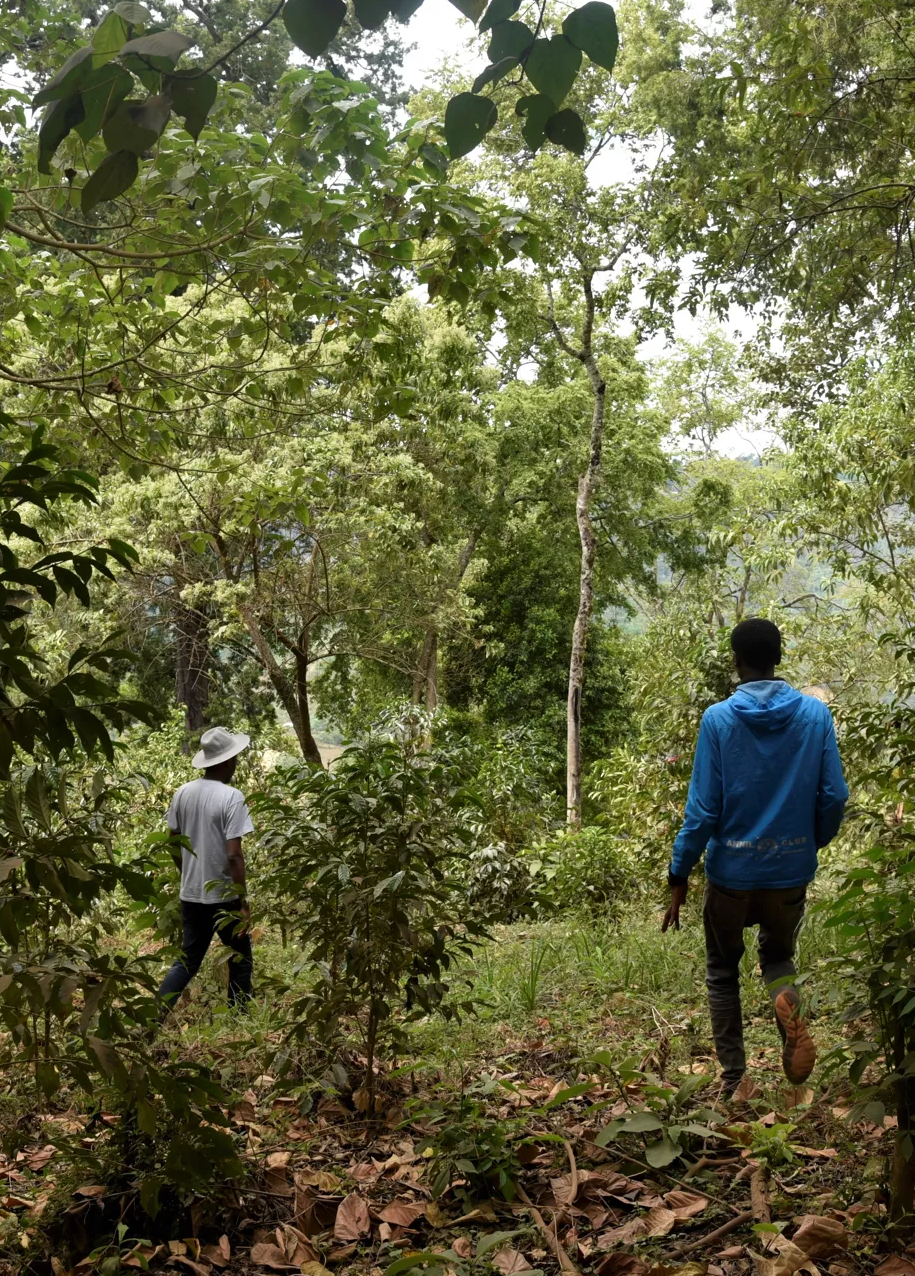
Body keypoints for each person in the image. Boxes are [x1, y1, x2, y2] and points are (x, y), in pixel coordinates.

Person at [662, 618, 848, 1095]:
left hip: (731, 874)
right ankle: (788, 1003)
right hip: (789, 871)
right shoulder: (815, 715)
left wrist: (679, 872)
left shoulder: (719, 720)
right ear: (779, 658)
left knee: (722, 971)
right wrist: (810, 843)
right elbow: (833, 796)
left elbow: (703, 810)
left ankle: (735, 1080)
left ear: (735, 661)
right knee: (779, 955)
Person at [158, 726, 255, 1014]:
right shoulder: (232, 796)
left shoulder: (183, 793)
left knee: (186, 961)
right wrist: (243, 902)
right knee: (240, 956)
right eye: (235, 758)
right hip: (224, 898)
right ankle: (239, 1018)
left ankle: (151, 1020)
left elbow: (173, 842)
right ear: (225, 762)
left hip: (191, 895)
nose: (236, 763)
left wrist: (186, 872)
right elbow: (234, 855)